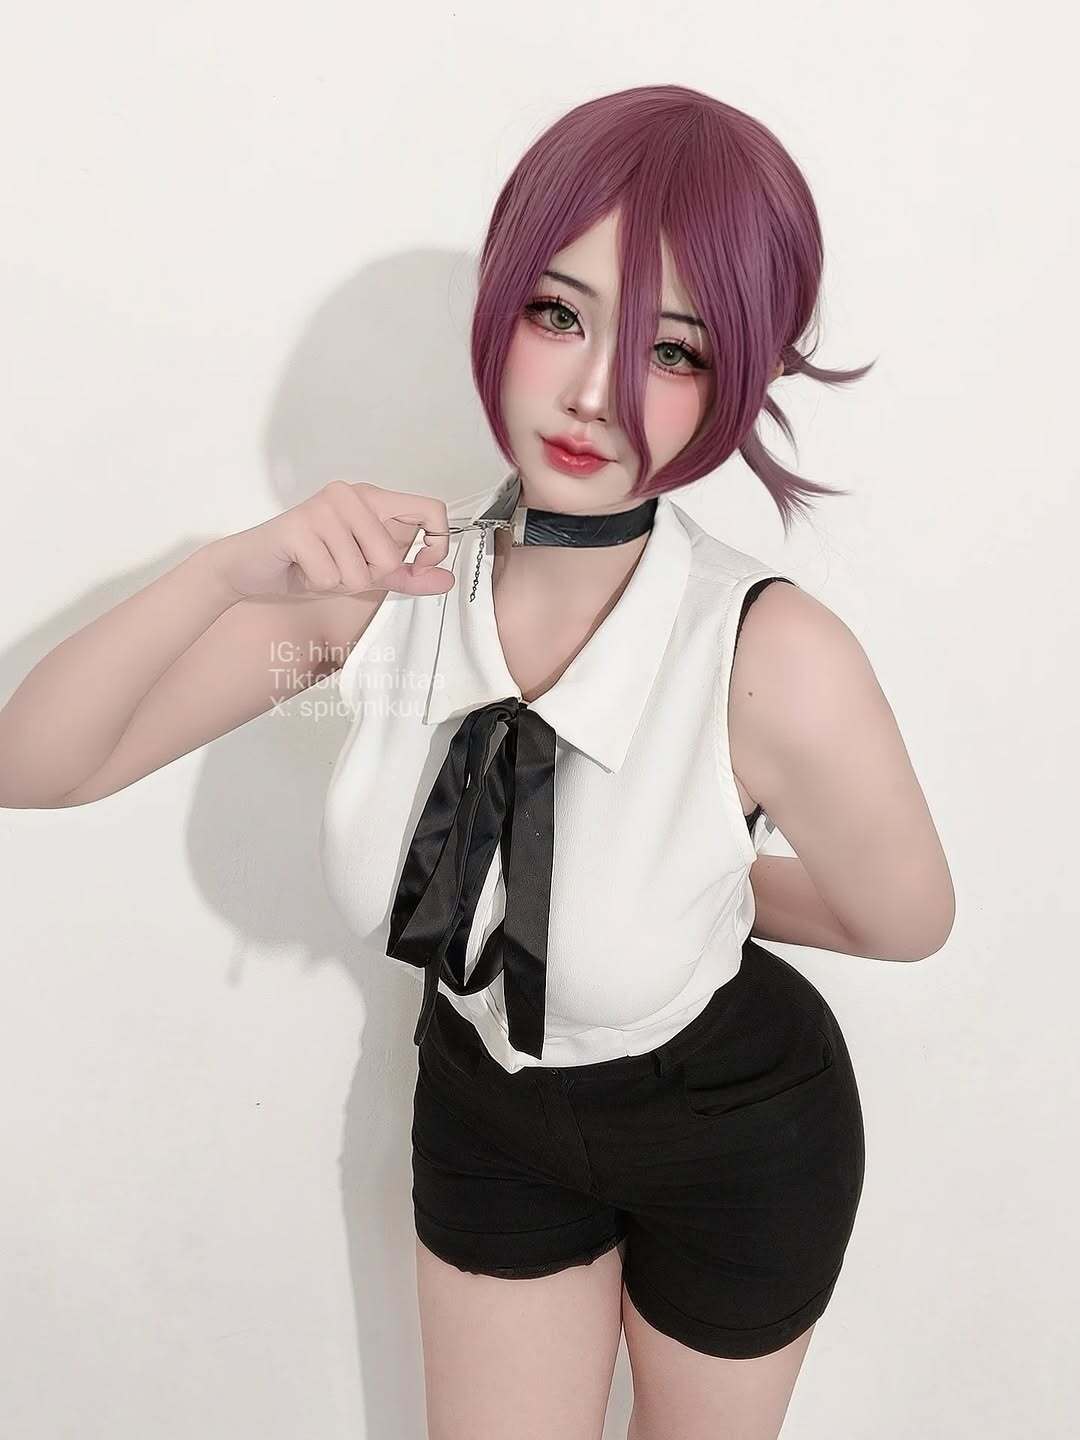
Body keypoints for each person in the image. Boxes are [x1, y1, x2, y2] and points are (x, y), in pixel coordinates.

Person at [0, 84, 954, 1440]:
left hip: (735, 1133)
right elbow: (40, 766)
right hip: (486, 1110)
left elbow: (905, 919)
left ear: (736, 378)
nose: (592, 393)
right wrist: (223, 572)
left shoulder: (767, 656)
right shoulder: (383, 600)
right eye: (559, 313)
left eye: (672, 349)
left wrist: (703, 884)